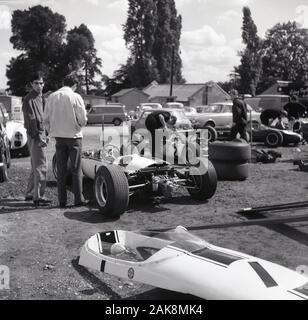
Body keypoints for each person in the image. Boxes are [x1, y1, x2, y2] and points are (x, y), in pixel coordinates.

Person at [44, 73, 87, 208]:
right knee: (76, 168)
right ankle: (78, 199)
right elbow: (83, 119)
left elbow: (46, 119)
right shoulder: (75, 96)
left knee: (61, 169)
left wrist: (52, 130)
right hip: (74, 136)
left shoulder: (51, 97)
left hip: (59, 137)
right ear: (74, 85)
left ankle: (62, 201)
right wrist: (79, 125)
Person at [22, 72, 50, 206]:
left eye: (41, 83)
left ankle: (30, 193)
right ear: (32, 84)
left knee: (35, 166)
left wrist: (47, 134)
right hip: (35, 135)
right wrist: (39, 138)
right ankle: (38, 196)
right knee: (41, 166)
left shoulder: (42, 98)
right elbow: (31, 121)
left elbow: (44, 119)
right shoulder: (28, 99)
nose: (39, 86)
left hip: (41, 133)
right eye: (36, 83)